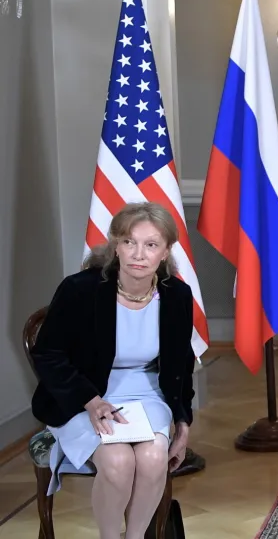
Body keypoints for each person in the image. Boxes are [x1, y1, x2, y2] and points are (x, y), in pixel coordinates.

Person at [30, 202, 197, 539]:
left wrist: (182, 424)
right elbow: (47, 354)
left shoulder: (177, 295)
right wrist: (90, 401)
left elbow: (181, 365)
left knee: (152, 459)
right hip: (84, 394)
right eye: (129, 242)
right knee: (118, 462)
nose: (139, 253)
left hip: (147, 392)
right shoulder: (80, 290)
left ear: (165, 252)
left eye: (151, 245)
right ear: (115, 245)